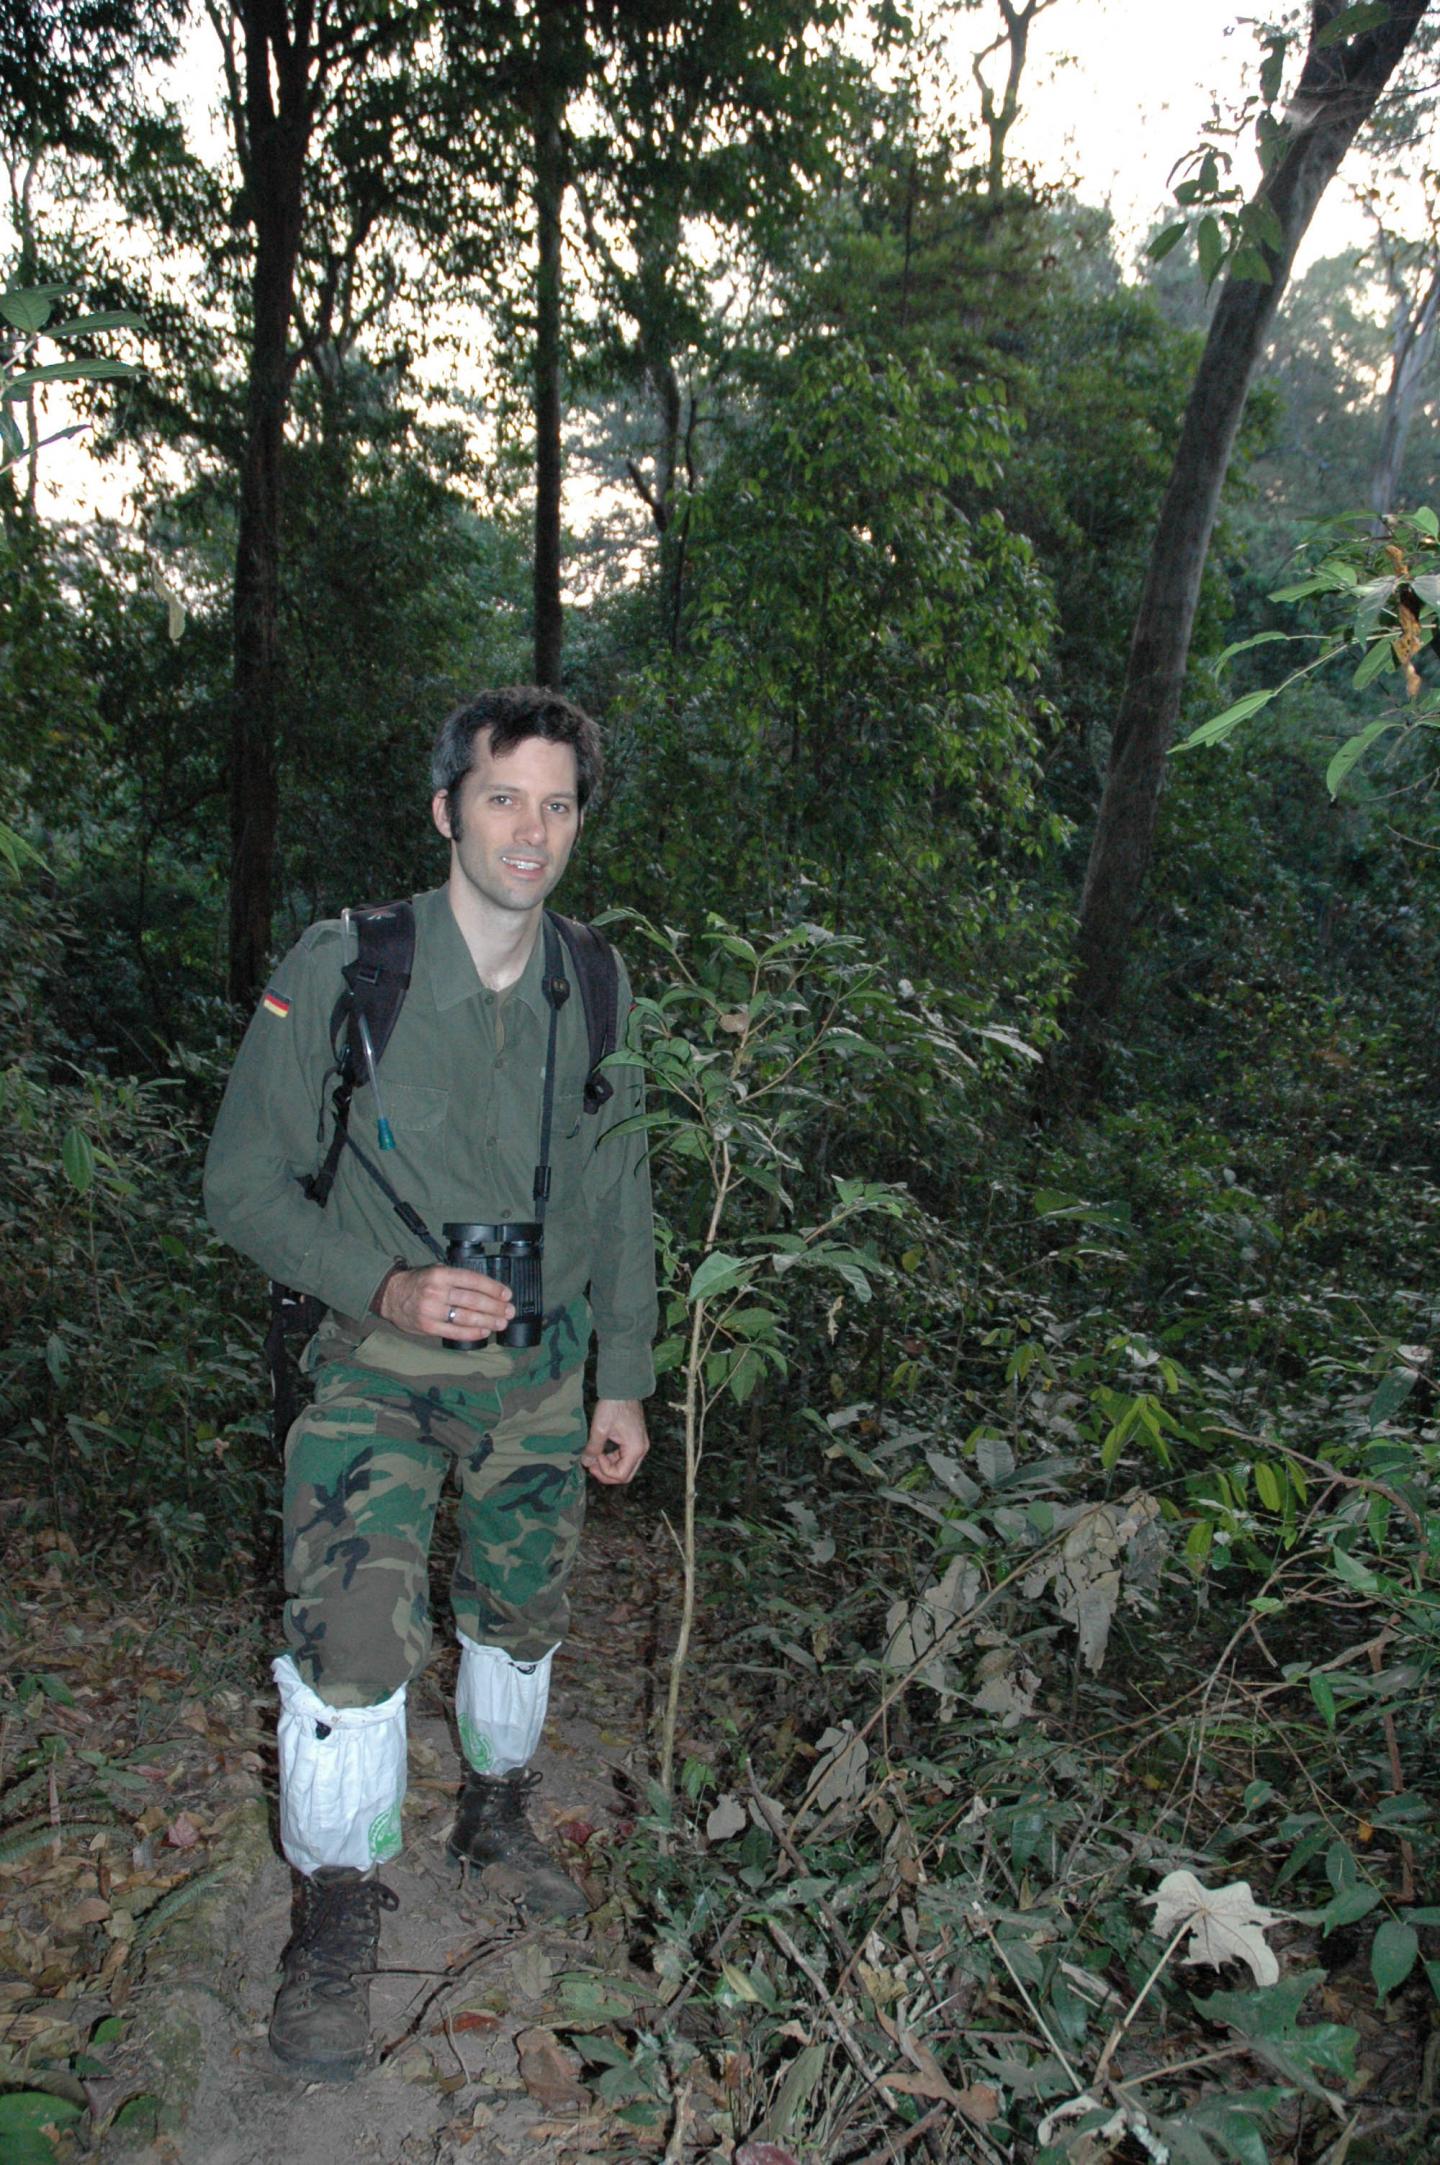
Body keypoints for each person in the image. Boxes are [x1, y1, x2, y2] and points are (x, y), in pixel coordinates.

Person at [204, 687, 657, 2082]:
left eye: (559, 802)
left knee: (521, 1617)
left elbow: (624, 1187)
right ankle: (335, 1915)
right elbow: (238, 1183)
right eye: (504, 797)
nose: (531, 830)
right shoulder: (353, 966)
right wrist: (384, 1284)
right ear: (448, 806)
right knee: (352, 1642)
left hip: (541, 1365)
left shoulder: (598, 979)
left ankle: (498, 1810)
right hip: (379, 1363)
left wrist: (625, 1381)